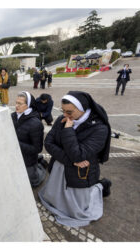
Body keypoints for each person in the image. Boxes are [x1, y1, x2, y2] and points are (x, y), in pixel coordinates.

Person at [38, 91, 112, 227]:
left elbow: (78, 155)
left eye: (70, 112)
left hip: (80, 174)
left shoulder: (100, 129)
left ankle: (102, 186)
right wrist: (70, 160)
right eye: (63, 111)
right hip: (64, 167)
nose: (65, 115)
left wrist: (68, 130)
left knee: (75, 206)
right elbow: (48, 143)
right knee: (54, 193)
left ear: (83, 109)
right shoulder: (63, 119)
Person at [11, 91, 46, 188]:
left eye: (20, 103)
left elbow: (37, 149)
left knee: (33, 183)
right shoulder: (13, 116)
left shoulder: (36, 124)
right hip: (15, 155)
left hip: (28, 159)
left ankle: (40, 166)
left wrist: (16, 143)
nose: (16, 106)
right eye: (16, 102)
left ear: (28, 105)